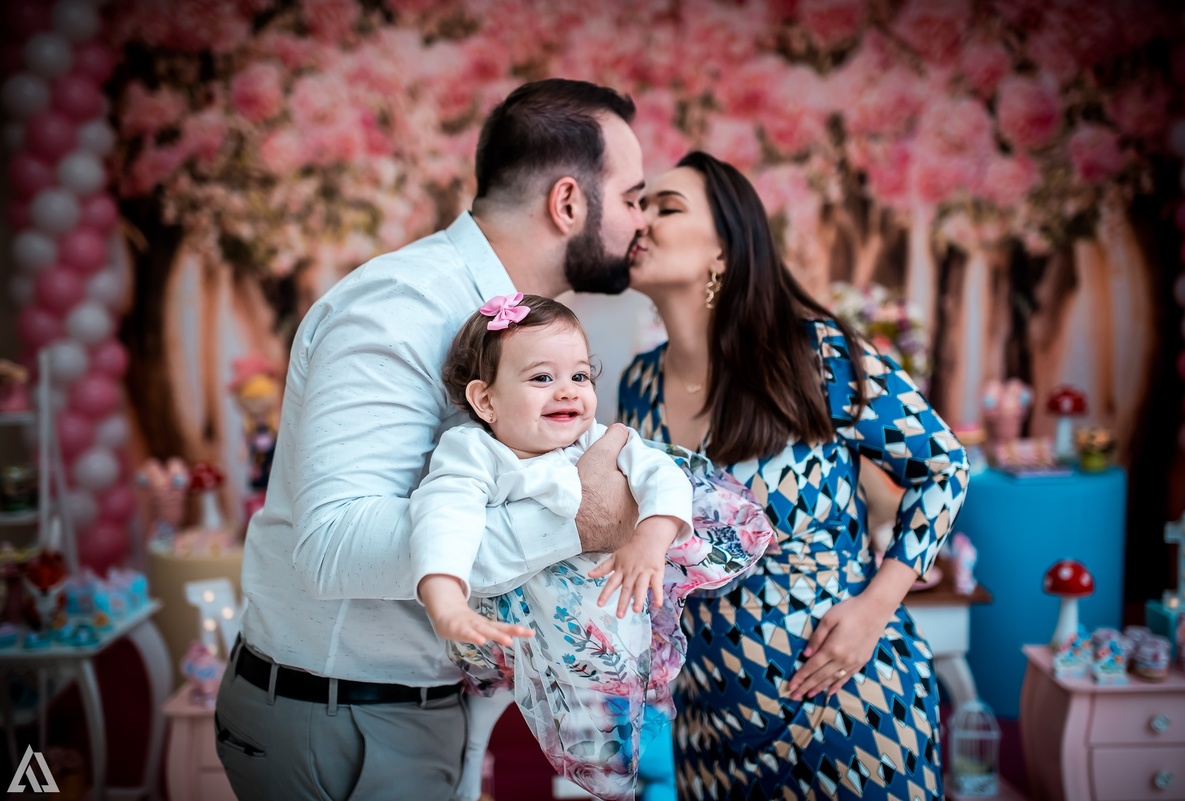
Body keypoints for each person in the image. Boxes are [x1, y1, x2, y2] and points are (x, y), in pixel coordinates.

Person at [214, 78, 652, 801]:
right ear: (569, 203)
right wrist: (573, 521)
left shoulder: (524, 333)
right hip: (345, 719)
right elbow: (333, 545)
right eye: (633, 198)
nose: (641, 220)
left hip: (409, 711)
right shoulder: (402, 309)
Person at [618, 151, 971, 800]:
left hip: (850, 706)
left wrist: (876, 608)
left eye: (666, 207)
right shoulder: (636, 385)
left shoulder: (815, 356)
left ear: (724, 249)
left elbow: (943, 467)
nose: (640, 219)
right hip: (709, 725)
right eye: (637, 205)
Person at [411, 292, 701, 801]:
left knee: (624, 730)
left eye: (581, 376)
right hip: (511, 636)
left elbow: (667, 478)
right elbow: (443, 520)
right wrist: (446, 602)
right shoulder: (475, 451)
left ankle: (636, 779)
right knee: (487, 728)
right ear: (486, 401)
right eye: (542, 377)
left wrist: (650, 540)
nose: (567, 390)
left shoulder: (600, 441)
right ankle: (469, 775)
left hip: (599, 624)